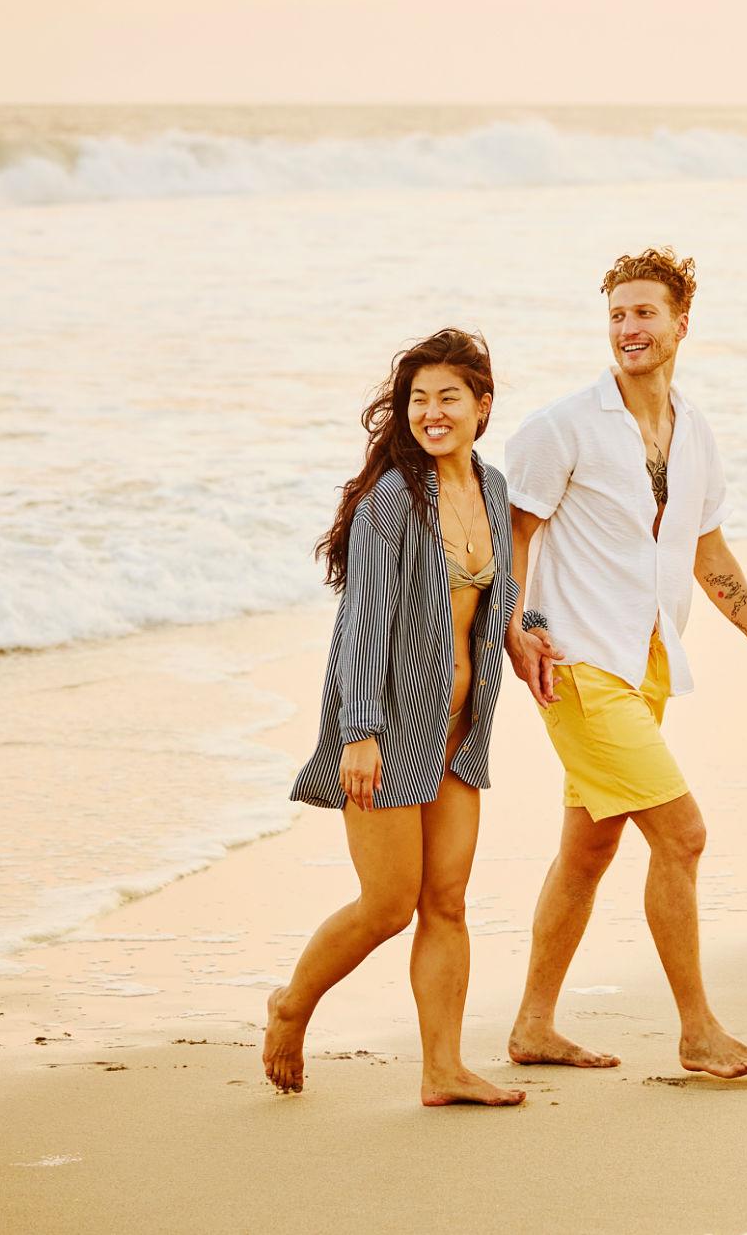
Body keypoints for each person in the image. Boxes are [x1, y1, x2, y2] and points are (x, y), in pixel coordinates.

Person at [502, 248, 747, 1079]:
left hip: (648, 665)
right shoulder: (563, 426)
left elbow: (706, 548)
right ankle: (698, 1031)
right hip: (575, 665)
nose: (628, 329)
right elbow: (512, 538)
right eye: (617, 315)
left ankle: (532, 1026)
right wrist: (520, 629)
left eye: (644, 314)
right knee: (684, 835)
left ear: (680, 324)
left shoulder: (695, 431)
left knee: (588, 851)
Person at [263, 329, 525, 1107]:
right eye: (419, 400)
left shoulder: (495, 487)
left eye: (449, 398)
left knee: (447, 902)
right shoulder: (391, 501)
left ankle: (442, 1069)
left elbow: (495, 593)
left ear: (482, 406)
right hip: (384, 730)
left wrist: (527, 626)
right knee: (387, 905)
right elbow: (365, 622)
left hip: (458, 730)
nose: (432, 413)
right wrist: (360, 732)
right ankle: (291, 1005)